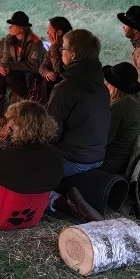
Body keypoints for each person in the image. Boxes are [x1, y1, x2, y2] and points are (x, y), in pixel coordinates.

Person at [47, 29, 110, 175]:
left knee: (23, 169)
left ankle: (55, 198)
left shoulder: (65, 88)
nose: (61, 51)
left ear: (73, 55)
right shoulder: (103, 88)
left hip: (72, 160)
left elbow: (52, 133)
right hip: (98, 157)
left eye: (63, 48)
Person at [100, 62, 140, 175]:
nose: (105, 83)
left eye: (108, 82)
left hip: (110, 162)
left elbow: (102, 140)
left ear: (115, 87)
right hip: (124, 160)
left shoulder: (119, 108)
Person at [0, 11, 45, 106]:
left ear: (21, 28)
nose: (10, 27)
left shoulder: (35, 42)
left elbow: (33, 65)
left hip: (32, 72)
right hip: (16, 68)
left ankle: (30, 100)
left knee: (10, 78)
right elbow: (6, 56)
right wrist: (3, 67)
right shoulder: (9, 39)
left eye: (13, 25)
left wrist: (10, 66)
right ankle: (1, 97)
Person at [36, 16, 73, 103]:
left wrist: (54, 46)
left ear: (59, 32)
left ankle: (46, 108)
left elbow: (59, 70)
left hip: (67, 81)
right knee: (35, 77)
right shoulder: (53, 46)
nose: (47, 32)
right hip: (54, 78)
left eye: (49, 29)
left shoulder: (69, 46)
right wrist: (47, 73)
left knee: (48, 82)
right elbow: (42, 67)